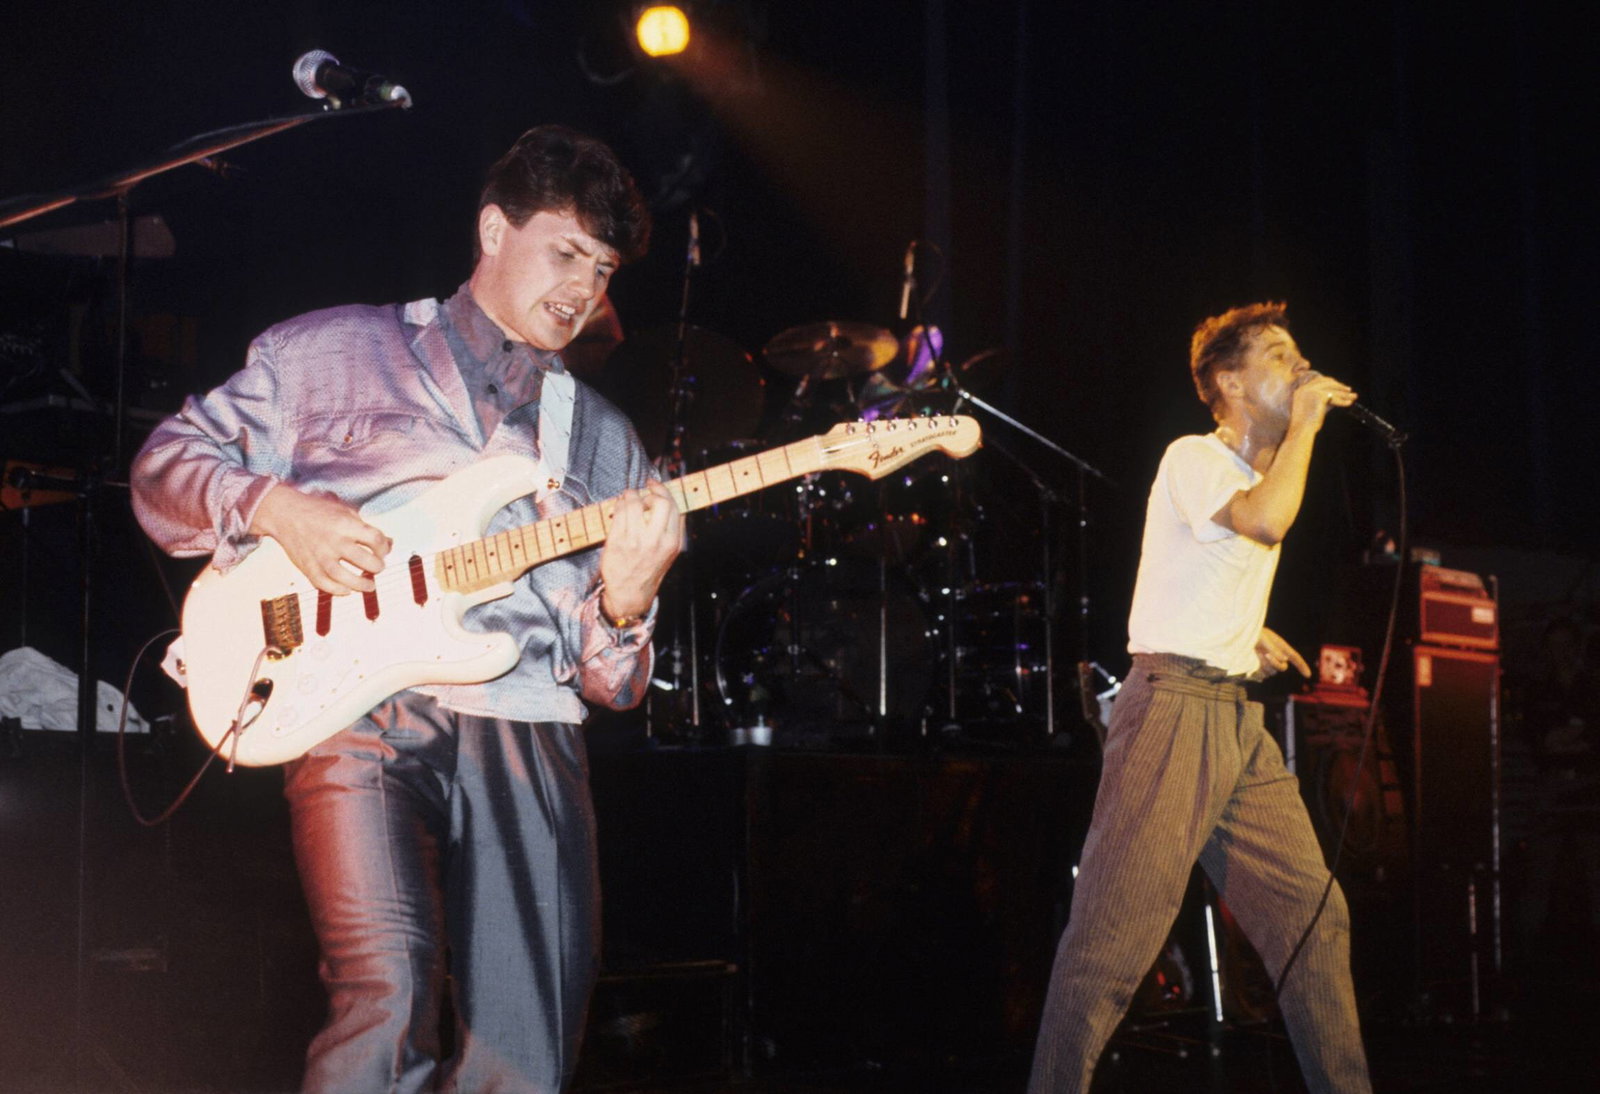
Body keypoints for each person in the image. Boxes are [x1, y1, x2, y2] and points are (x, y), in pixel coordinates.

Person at [130, 125, 683, 1093]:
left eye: (600, 270)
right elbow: (161, 472)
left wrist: (628, 600)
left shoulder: (602, 439)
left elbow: (612, 682)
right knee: (385, 990)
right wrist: (275, 505)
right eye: (564, 253)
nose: (581, 290)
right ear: (492, 229)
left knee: (530, 1033)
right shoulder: (335, 348)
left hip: (528, 723)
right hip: (355, 715)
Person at [1028, 303, 1372, 1092]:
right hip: (1174, 710)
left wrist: (1244, 634)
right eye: (1281, 357)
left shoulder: (1253, 474)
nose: (1301, 369)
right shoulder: (1196, 456)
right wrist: (1310, 424)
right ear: (1228, 381)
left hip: (1231, 718)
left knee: (1314, 919)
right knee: (1113, 941)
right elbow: (1264, 523)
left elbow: (1202, 563)